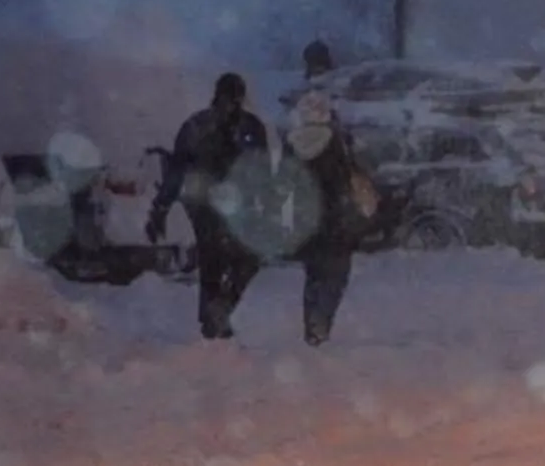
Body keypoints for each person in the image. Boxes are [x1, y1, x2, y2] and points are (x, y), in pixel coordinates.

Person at [153, 73, 273, 341]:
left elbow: (176, 171)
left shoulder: (196, 125)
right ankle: (218, 312)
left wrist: (161, 206)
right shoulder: (250, 127)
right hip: (233, 203)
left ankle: (213, 317)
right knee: (245, 259)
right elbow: (261, 171)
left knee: (213, 259)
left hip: (203, 203)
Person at [280, 91, 378, 346]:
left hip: (305, 220)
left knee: (313, 275)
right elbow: (350, 174)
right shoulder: (336, 142)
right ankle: (321, 323)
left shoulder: (291, 143)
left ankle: (312, 323)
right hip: (334, 218)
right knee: (336, 274)